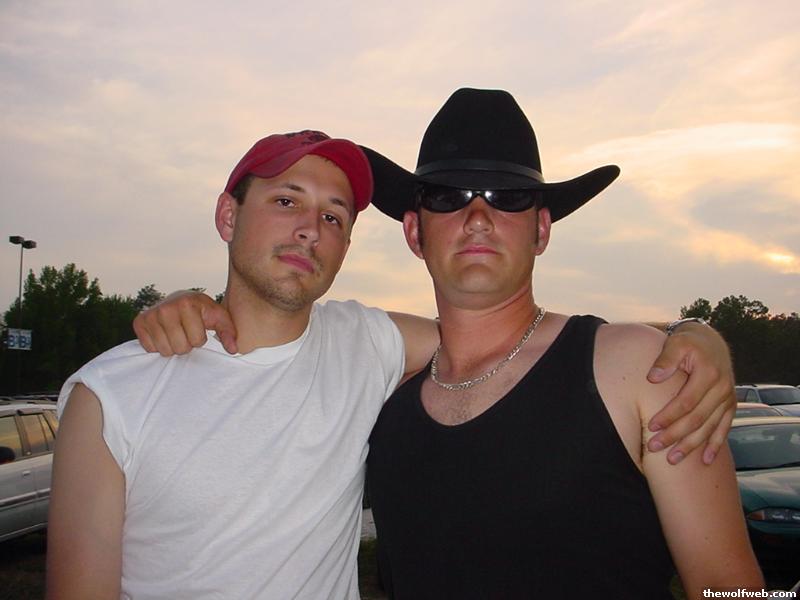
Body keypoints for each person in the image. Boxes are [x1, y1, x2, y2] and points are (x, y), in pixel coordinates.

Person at [363, 88, 762, 598]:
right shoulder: (383, 385)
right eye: (447, 196)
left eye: (509, 197)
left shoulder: (640, 369)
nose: (478, 217)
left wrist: (696, 328)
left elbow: (728, 587)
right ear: (414, 233)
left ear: (542, 230)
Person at [47, 130, 438, 599]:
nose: (311, 230)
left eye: (332, 217)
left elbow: (492, 337)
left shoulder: (365, 343)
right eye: (287, 202)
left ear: (345, 250)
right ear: (228, 216)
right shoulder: (111, 394)